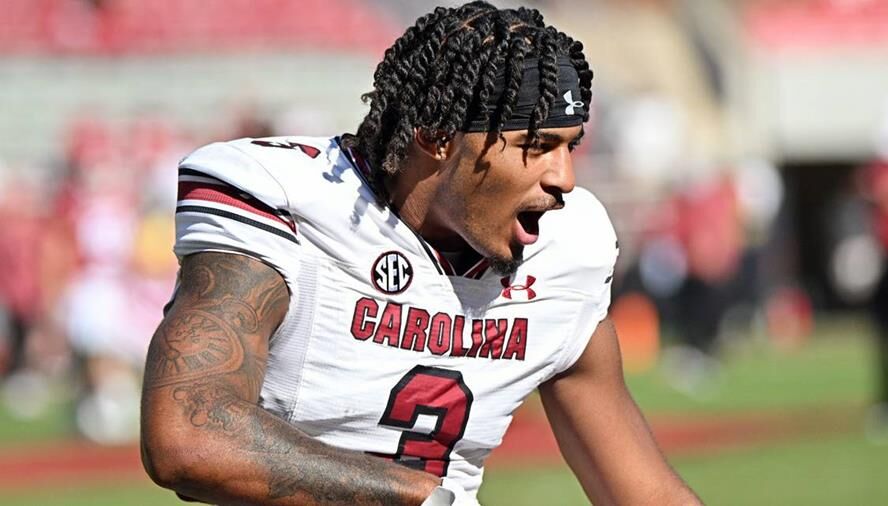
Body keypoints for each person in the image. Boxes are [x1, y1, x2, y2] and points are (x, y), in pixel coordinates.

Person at [140, 2, 702, 504]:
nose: (565, 179)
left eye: (569, 145)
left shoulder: (567, 248)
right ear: (438, 136)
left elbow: (643, 490)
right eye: (536, 146)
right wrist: (422, 499)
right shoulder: (289, 197)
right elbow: (187, 433)